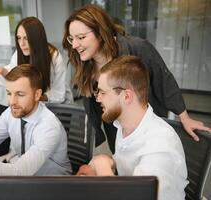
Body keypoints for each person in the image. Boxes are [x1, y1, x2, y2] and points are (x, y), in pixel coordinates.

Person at [62, 4, 211, 152]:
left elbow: (164, 81)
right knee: (123, 162)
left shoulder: (138, 48)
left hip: (145, 127)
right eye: (71, 38)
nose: (75, 45)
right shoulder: (84, 63)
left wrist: (184, 117)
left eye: (80, 37)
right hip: (116, 129)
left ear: (100, 33)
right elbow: (94, 109)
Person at [76, 55, 188, 200]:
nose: (98, 99)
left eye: (103, 93)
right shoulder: (124, 126)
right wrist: (110, 161)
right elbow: (129, 166)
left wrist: (103, 168)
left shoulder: (160, 144)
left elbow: (137, 196)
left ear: (127, 96)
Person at [0, 16, 73, 104]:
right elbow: (13, 73)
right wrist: (4, 71)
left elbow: (59, 95)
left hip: (58, 107)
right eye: (19, 38)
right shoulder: (19, 53)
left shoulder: (54, 57)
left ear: (36, 39)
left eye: (26, 38)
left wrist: (33, 97)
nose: (21, 44)